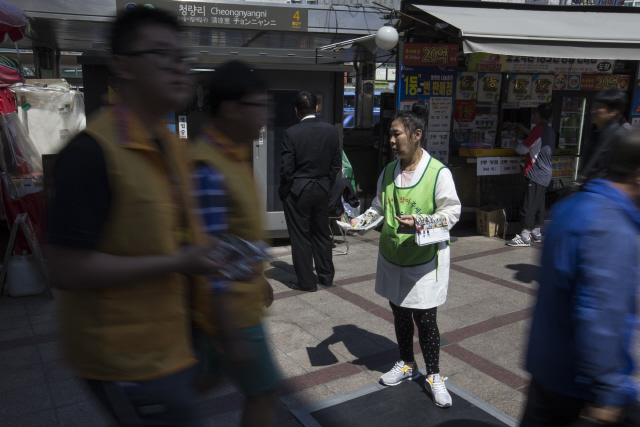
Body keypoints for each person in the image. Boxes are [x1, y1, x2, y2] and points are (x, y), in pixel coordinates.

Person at [46, 8, 219, 426]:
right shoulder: (90, 154)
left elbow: (170, 234)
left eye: (182, 57)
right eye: (162, 54)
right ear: (122, 67)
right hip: (126, 360)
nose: (179, 68)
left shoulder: (171, 145)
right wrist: (180, 261)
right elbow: (66, 268)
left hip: (175, 345)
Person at [521, 130, 640, 426]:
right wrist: (610, 391)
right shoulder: (613, 226)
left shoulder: (570, 207)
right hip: (578, 386)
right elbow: (601, 315)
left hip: (545, 368)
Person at [351, 101, 461, 408]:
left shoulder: (438, 173)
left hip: (424, 261)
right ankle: (406, 363)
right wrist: (360, 222)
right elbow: (378, 207)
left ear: (416, 134)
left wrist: (423, 222)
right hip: (393, 255)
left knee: (425, 318)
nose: (391, 140)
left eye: (396, 134)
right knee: (399, 311)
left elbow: (452, 211)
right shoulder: (388, 171)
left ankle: (434, 374)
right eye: (390, 134)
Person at [189, 61, 279, 427]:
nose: (266, 116)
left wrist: (262, 278)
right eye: (259, 106)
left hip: (229, 306)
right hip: (231, 314)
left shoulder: (233, 155)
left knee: (204, 380)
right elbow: (211, 253)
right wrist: (230, 330)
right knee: (265, 392)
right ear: (230, 109)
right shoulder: (209, 168)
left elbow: (239, 235)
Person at [279, 91, 342, 292]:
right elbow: (336, 163)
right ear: (317, 107)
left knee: (300, 237)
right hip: (322, 188)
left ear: (296, 111)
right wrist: (327, 184)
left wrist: (285, 191)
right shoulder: (331, 130)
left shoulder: (291, 133)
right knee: (322, 233)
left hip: (298, 190)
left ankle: (307, 282)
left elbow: (287, 169)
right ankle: (326, 276)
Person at [505, 103, 556, 247]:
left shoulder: (537, 129)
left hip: (536, 172)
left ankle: (525, 235)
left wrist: (514, 143)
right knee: (539, 203)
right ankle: (536, 231)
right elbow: (538, 141)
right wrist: (525, 130)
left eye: (535, 114)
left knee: (529, 205)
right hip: (546, 173)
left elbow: (523, 149)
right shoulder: (549, 131)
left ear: (538, 115)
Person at [580, 88, 629, 182]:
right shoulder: (594, 131)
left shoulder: (620, 137)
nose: (593, 111)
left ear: (613, 112)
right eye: (593, 106)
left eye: (599, 107)